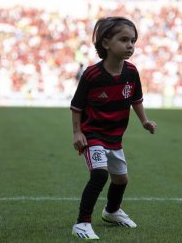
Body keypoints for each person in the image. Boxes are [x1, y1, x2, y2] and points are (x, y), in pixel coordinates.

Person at [70, 17, 157, 240]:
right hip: (93, 135)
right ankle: (82, 223)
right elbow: (76, 106)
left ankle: (111, 211)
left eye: (133, 41)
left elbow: (136, 99)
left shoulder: (131, 72)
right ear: (106, 43)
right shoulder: (92, 74)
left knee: (121, 180)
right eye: (124, 40)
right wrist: (77, 132)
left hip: (115, 137)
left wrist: (144, 121)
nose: (130, 45)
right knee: (99, 175)